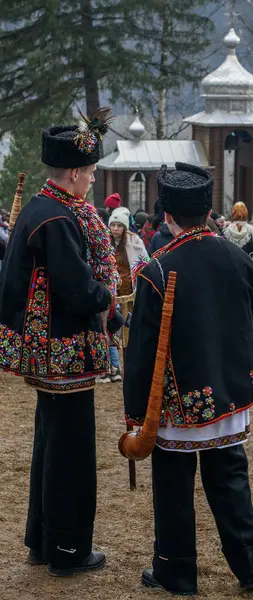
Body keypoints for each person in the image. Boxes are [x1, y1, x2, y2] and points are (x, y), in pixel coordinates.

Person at [124, 162, 253, 595]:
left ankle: (176, 571)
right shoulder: (237, 258)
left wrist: (134, 413)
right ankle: (250, 567)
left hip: (177, 401)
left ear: (166, 216)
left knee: (173, 487)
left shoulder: (156, 270)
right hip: (227, 393)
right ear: (208, 212)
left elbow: (142, 352)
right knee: (230, 480)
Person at [0, 109, 118, 574]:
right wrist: (110, 297)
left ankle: (42, 541)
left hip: (47, 353)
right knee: (71, 452)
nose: (90, 181)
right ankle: (69, 550)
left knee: (51, 442)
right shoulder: (61, 219)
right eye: (89, 173)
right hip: (63, 351)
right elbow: (78, 289)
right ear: (72, 173)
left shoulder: (39, 207)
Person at [97, 207, 147, 384]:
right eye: (113, 225)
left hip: (129, 292)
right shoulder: (104, 242)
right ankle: (113, 367)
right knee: (111, 329)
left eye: (119, 225)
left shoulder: (134, 241)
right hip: (111, 292)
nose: (116, 228)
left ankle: (130, 366)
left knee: (130, 331)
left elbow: (142, 263)